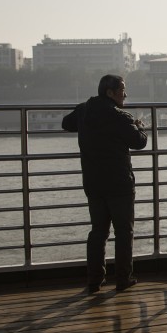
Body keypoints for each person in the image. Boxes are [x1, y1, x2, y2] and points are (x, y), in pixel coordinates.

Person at [62, 74, 148, 293]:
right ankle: (123, 279)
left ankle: (94, 280)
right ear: (110, 93)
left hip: (93, 182)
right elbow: (139, 142)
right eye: (122, 90)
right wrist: (139, 126)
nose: (125, 94)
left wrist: (83, 113)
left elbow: (66, 123)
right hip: (119, 183)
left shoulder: (84, 110)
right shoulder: (121, 117)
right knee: (123, 232)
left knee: (98, 231)